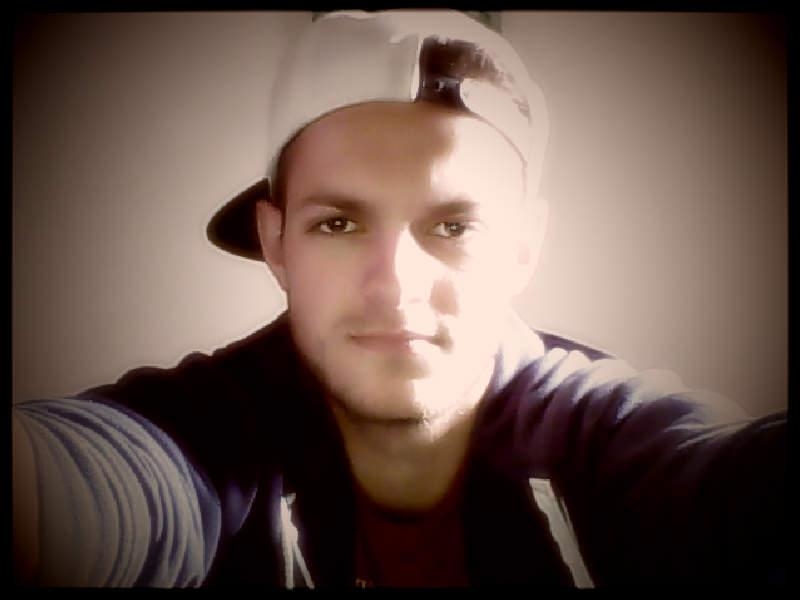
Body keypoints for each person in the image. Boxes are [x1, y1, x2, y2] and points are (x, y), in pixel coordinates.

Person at [12, 10, 786, 587]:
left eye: (453, 226)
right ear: (276, 243)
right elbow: (90, 486)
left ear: (523, 249)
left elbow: (723, 489)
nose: (394, 283)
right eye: (339, 223)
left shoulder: (605, 431)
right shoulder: (203, 430)